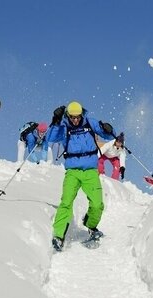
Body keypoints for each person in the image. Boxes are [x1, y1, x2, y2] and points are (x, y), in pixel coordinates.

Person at [46, 101, 114, 251]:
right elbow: (50, 138)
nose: (75, 120)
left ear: (81, 114)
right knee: (66, 202)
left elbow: (108, 135)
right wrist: (55, 121)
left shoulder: (90, 122)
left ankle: (90, 225)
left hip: (90, 170)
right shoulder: (64, 126)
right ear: (68, 116)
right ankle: (59, 235)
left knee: (98, 204)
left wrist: (108, 129)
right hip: (73, 171)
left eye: (77, 117)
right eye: (72, 117)